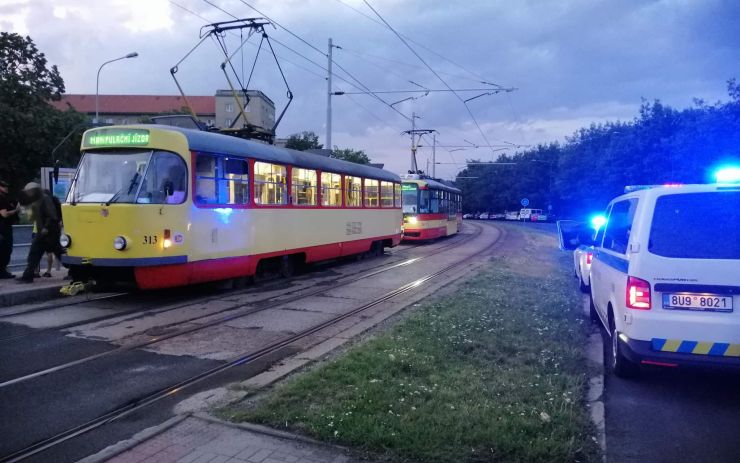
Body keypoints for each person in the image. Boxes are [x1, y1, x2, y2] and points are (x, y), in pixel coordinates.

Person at [17, 183, 64, 284]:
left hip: (49, 232)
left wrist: (46, 227)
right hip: (45, 232)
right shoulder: (39, 200)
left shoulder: (45, 199)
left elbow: (51, 215)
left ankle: (77, 271)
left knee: (58, 253)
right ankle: (27, 275)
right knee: (35, 253)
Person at [0, 180, 21, 278]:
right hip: (3, 227)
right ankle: (2, 272)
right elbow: (4, 214)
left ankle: (2, 271)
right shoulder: (1, 199)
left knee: (5, 249)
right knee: (6, 249)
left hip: (4, 226)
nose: (6, 188)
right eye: (4, 186)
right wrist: (15, 210)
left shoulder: (5, 198)